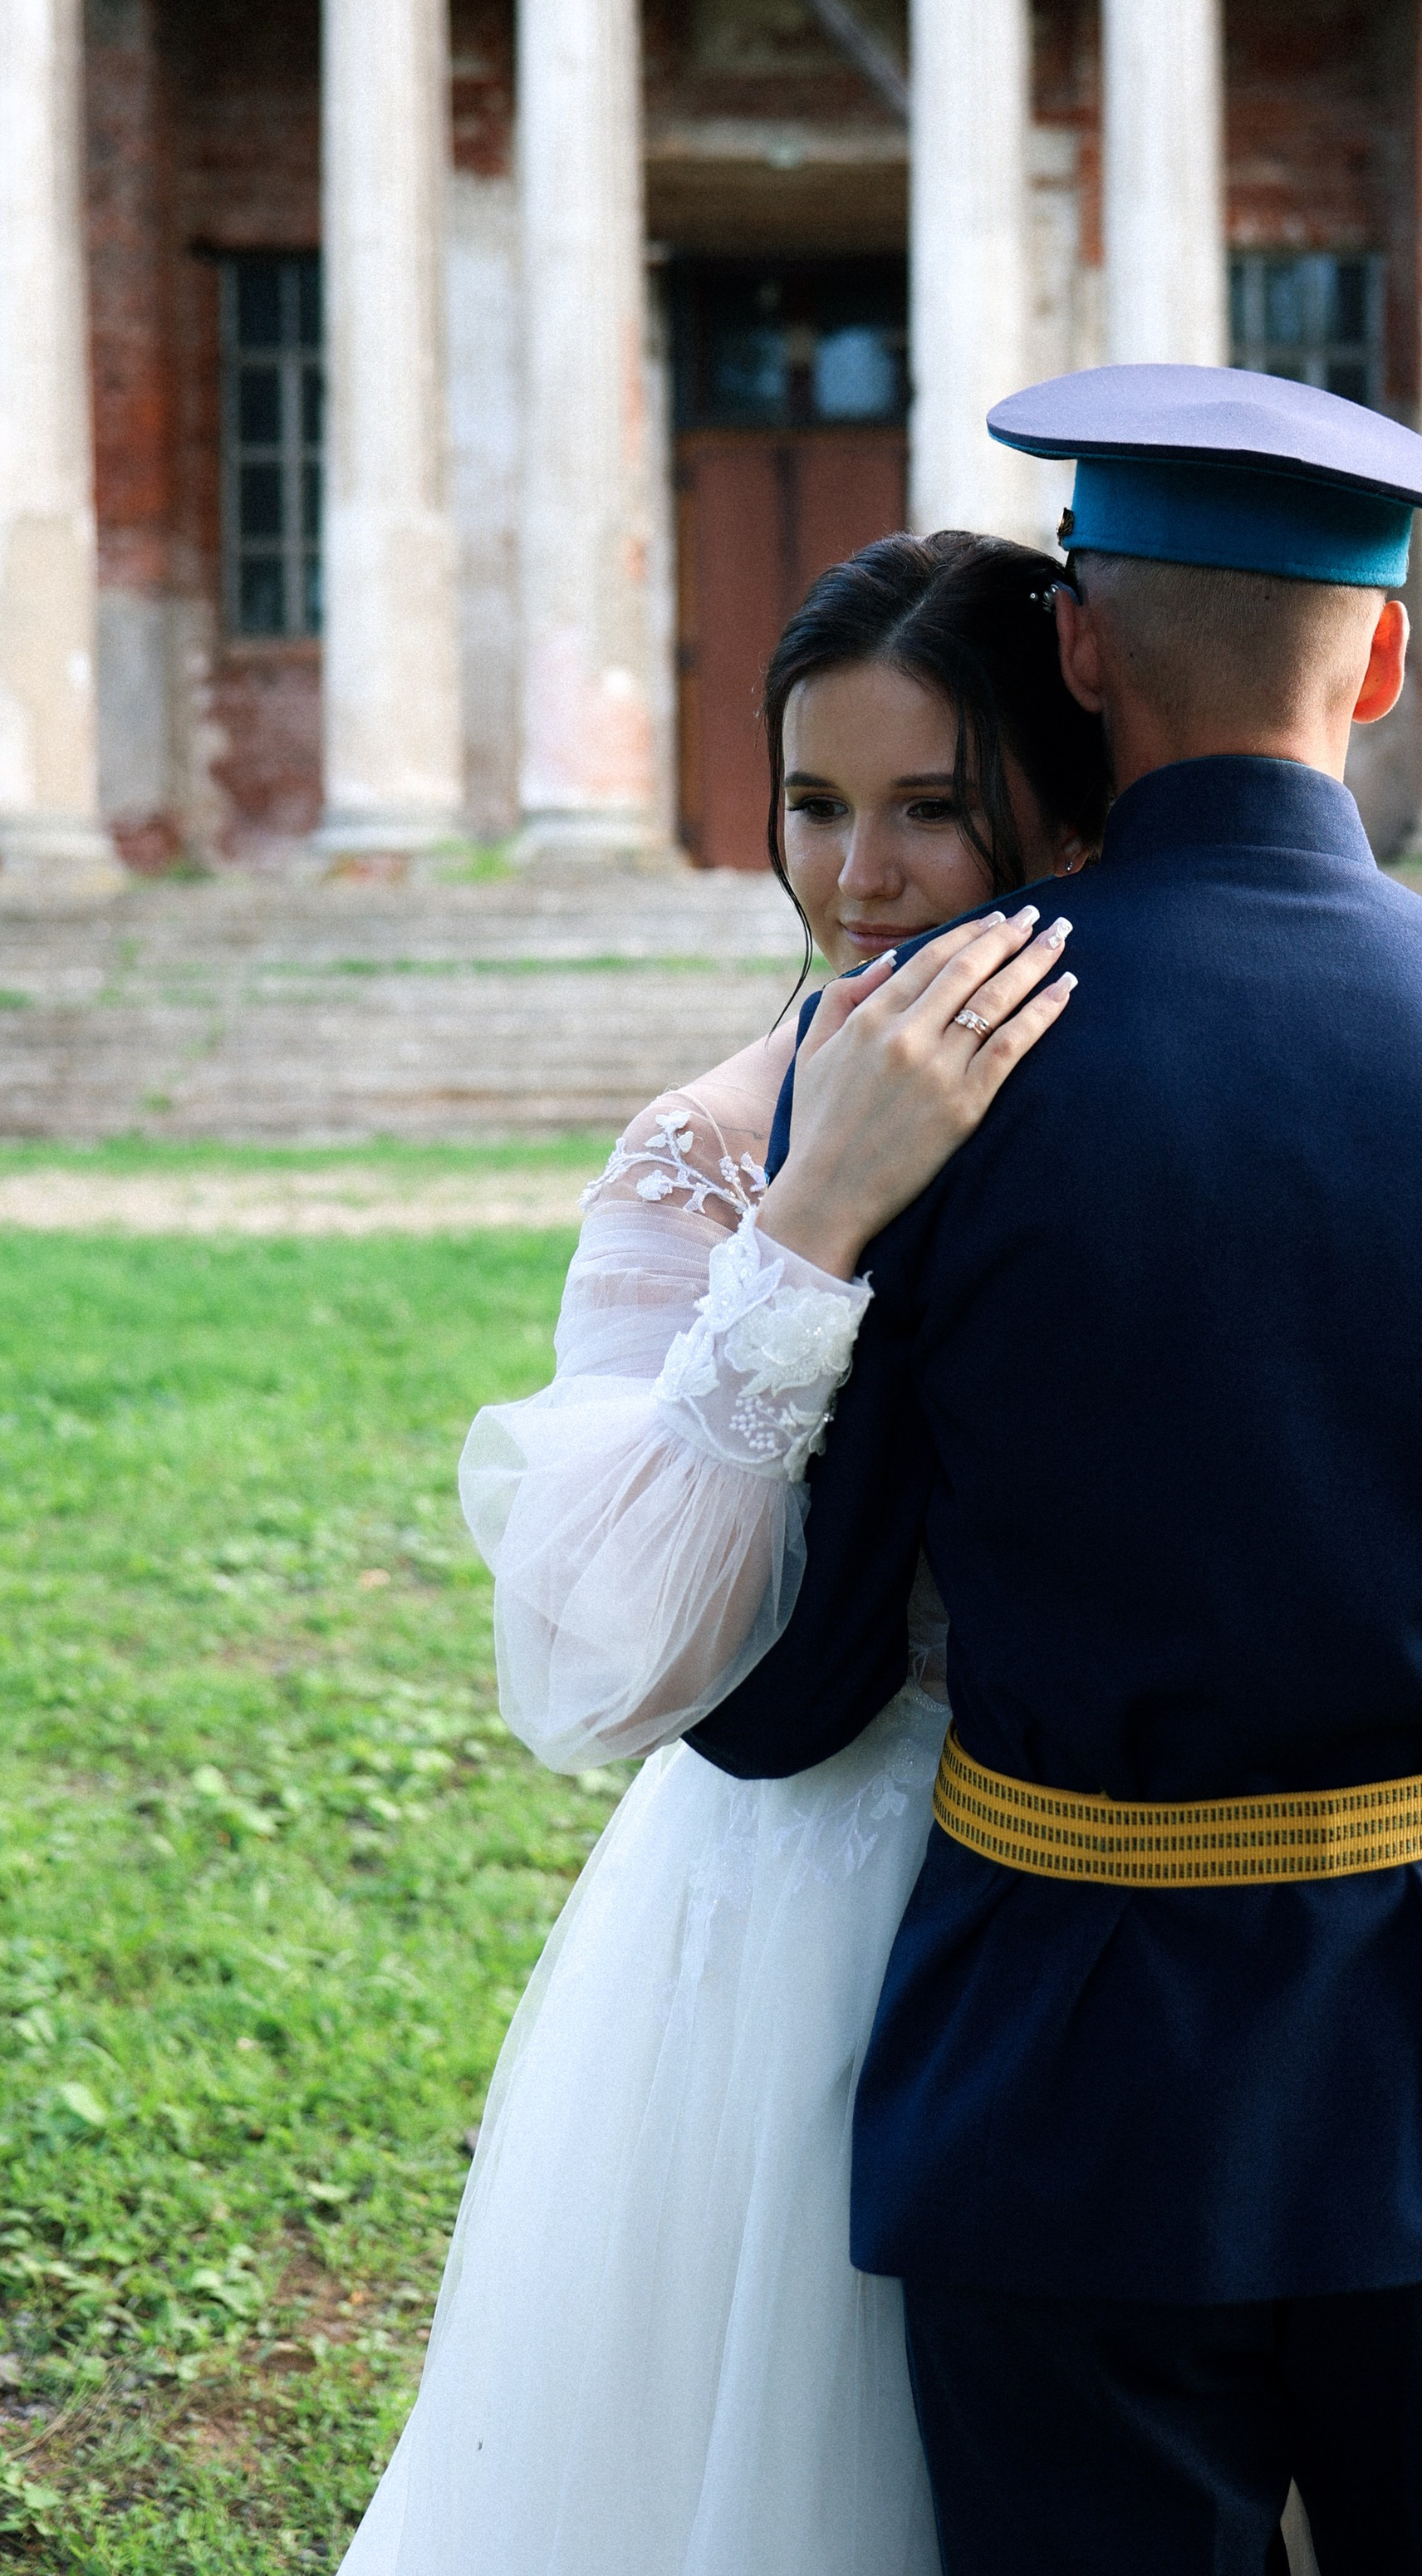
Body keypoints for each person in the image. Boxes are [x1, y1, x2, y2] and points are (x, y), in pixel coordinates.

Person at [691, 365, 1422, 2576]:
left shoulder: (922, 1062)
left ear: (1077, 647)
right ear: (1379, 657)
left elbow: (787, 1696)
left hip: (1052, 2086)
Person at [337, 529, 1108, 2576]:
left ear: (1060, 789)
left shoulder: (1158, 1100)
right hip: (802, 1887)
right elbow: (616, 1645)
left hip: (1121, 1881)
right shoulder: (706, 1136)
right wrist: (809, 1222)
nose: (862, 875)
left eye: (933, 808)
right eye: (816, 805)